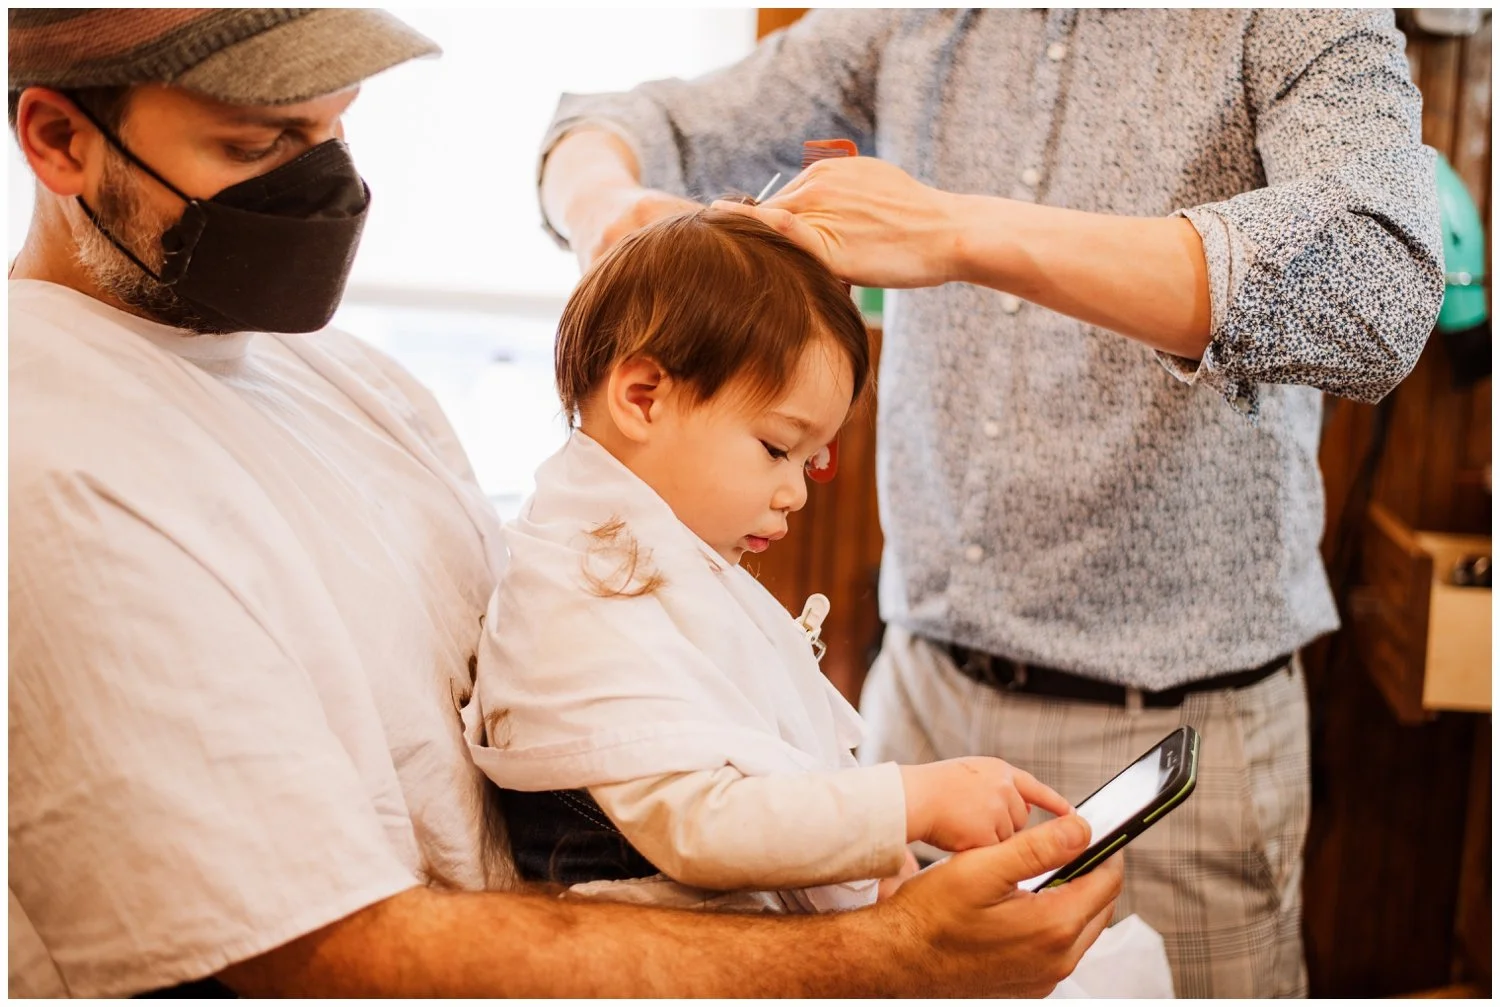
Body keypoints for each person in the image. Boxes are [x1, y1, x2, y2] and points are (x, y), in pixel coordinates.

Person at [7, 9, 1122, 998]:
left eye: (334, 128)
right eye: (257, 144)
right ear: (58, 138)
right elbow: (316, 950)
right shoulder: (56, 464)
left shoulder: (343, 376)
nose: (326, 182)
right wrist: (884, 957)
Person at [537, 8, 1445, 998]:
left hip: (1176, 738)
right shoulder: (915, 17)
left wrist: (962, 232)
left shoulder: (1291, 19)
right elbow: (611, 123)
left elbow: (1380, 279)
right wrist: (611, 212)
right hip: (914, 710)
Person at [464, 208, 1072, 913]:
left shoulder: (647, 558)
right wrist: (907, 801)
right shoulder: (580, 593)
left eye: (810, 461)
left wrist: (874, 856)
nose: (793, 493)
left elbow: (746, 759)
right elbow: (704, 822)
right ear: (643, 398)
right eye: (777, 448)